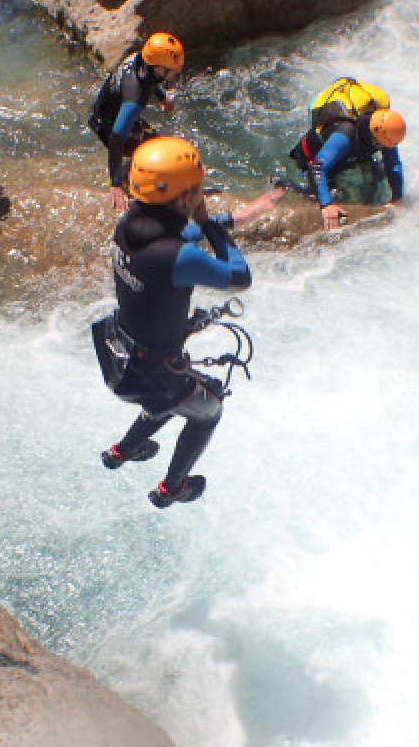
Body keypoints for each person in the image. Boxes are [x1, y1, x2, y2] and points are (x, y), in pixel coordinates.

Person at [92, 137, 283, 508]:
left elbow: (183, 232)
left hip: (119, 352)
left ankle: (121, 452)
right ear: (183, 198)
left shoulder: (131, 223)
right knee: (208, 410)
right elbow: (239, 276)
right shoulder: (177, 257)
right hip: (152, 373)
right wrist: (218, 230)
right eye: (197, 190)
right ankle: (171, 489)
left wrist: (236, 216)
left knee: (168, 399)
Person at [289, 78, 407, 230]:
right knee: (342, 189)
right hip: (312, 157)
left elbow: (394, 164)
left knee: (376, 181)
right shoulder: (345, 134)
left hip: (349, 154)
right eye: (380, 144)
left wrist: (397, 198)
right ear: (373, 135)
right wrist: (327, 205)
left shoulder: (383, 133)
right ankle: (283, 187)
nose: (384, 148)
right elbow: (317, 168)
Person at [88, 33, 184, 212]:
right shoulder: (135, 96)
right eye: (173, 69)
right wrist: (115, 185)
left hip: (109, 113)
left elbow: (151, 80)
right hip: (107, 127)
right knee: (155, 157)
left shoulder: (141, 59)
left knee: (156, 143)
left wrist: (162, 97)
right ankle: (122, 179)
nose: (177, 71)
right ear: (159, 70)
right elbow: (117, 137)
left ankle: (125, 171)